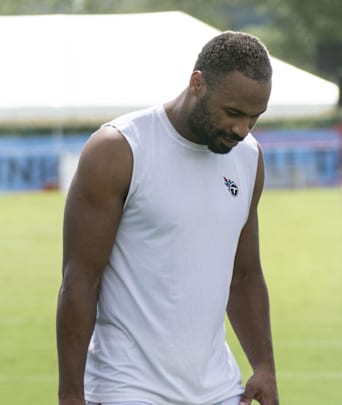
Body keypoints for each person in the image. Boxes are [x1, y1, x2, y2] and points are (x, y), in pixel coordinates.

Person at [56, 31, 279, 405]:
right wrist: (70, 395)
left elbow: (243, 276)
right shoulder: (119, 150)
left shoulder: (249, 158)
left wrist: (264, 366)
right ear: (197, 83)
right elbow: (80, 280)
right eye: (233, 113)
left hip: (221, 391)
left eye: (254, 118)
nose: (242, 129)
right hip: (126, 390)